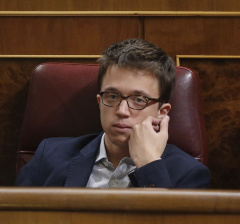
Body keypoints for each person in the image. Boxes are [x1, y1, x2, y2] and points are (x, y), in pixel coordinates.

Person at [16, 38, 210, 189]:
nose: (122, 111)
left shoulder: (189, 174)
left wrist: (149, 165)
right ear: (100, 102)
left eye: (139, 100)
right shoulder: (49, 156)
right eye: (112, 96)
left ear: (162, 112)